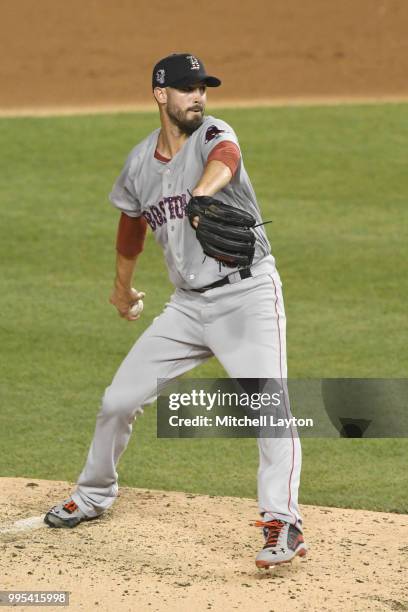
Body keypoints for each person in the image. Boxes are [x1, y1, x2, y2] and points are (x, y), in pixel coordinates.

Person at [44, 53, 307, 568]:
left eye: (203, 87)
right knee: (118, 400)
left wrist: (201, 196)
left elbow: (226, 156)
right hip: (186, 307)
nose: (199, 97)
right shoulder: (140, 163)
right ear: (160, 95)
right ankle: (95, 493)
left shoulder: (212, 133)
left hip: (245, 296)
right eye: (187, 88)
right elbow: (131, 225)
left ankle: (283, 521)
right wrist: (122, 289)